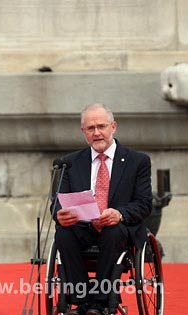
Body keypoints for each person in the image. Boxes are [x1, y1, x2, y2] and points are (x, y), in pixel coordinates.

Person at [53, 103, 152, 315]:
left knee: (113, 231)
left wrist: (120, 214)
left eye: (101, 126)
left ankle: (100, 302)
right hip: (83, 227)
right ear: (83, 132)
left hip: (119, 229)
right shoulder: (69, 163)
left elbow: (144, 203)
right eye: (90, 128)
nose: (96, 133)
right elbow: (57, 204)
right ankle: (83, 300)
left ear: (113, 127)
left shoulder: (137, 161)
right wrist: (60, 215)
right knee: (63, 233)